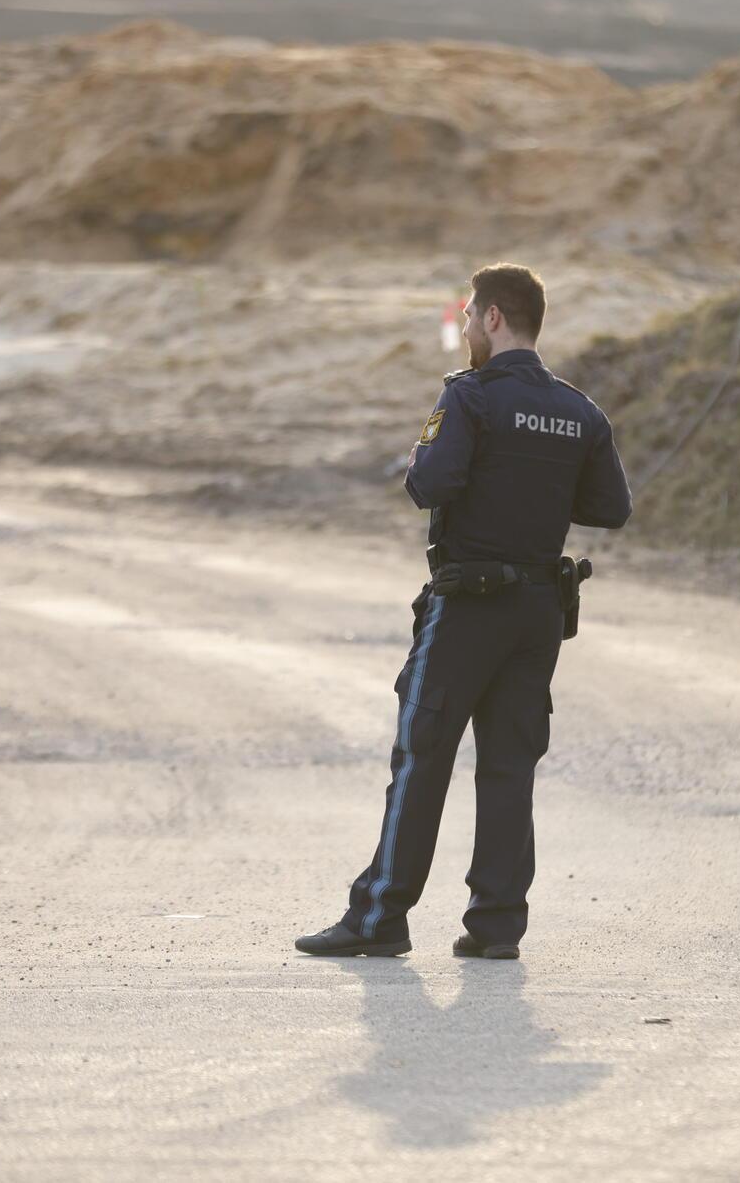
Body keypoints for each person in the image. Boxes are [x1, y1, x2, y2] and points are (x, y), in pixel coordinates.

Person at [297, 264, 632, 960]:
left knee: (422, 757)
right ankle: (496, 926)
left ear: (493, 319)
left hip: (469, 605)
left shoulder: (470, 397)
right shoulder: (581, 411)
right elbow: (610, 508)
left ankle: (379, 917)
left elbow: (430, 483)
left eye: (473, 316)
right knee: (509, 766)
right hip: (539, 609)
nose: (470, 328)